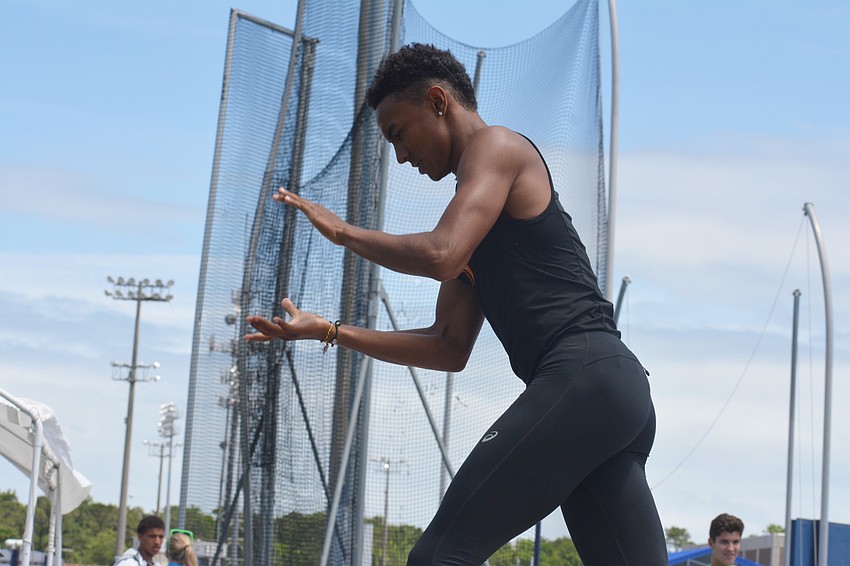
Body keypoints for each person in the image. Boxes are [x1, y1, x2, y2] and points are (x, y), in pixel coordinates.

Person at [246, 42, 667, 565]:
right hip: (612, 397)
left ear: (439, 102)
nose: (400, 157)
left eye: (398, 134)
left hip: (585, 376)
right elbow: (447, 347)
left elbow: (441, 254)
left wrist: (342, 232)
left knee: (438, 558)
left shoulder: (498, 146)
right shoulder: (472, 219)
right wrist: (330, 331)